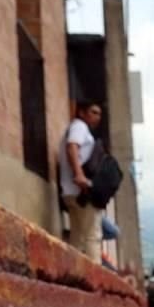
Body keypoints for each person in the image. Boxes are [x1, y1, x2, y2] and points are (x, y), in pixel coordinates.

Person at [58, 100, 103, 260]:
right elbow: (72, 147)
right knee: (93, 236)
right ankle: (95, 282)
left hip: (71, 191)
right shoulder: (79, 126)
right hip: (81, 190)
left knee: (77, 238)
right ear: (82, 113)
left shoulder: (76, 127)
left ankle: (74, 279)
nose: (97, 117)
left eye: (99, 114)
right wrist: (79, 175)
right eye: (93, 112)